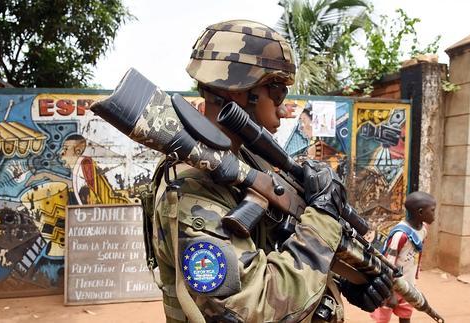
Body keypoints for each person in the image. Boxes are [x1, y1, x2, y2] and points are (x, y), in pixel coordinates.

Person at [149, 19, 392, 323]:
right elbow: (253, 307)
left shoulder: (248, 159)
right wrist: (324, 218)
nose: (282, 106)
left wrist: (347, 276)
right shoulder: (193, 187)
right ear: (239, 91)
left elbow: (281, 241)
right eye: (276, 92)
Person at [371, 191, 436, 323]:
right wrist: (390, 293)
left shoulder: (423, 229)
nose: (434, 214)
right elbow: (387, 263)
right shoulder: (400, 235)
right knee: (383, 318)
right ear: (420, 212)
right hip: (391, 286)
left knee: (406, 316)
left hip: (409, 284)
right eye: (432, 211)